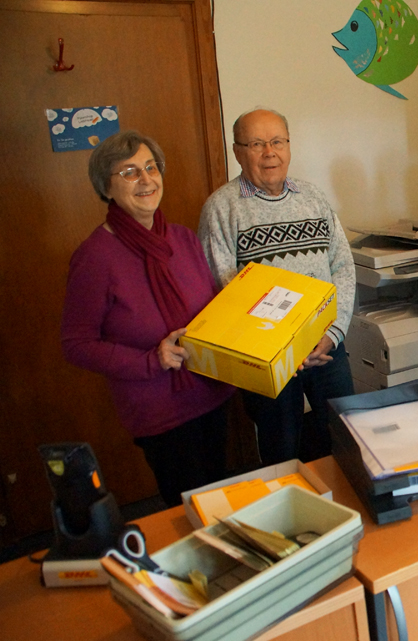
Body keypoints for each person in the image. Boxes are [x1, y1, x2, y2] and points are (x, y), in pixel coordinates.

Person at [61, 130, 234, 507]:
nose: (145, 179)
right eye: (129, 172)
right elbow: (76, 345)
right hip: (160, 411)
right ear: (105, 187)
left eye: (151, 167)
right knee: (191, 510)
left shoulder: (183, 239)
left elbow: (214, 309)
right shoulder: (95, 257)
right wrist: (151, 360)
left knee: (221, 501)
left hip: (212, 393)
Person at [199, 108, 355, 465]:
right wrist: (284, 347)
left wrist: (332, 334)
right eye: (256, 144)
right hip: (266, 358)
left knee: (346, 438)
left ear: (288, 146)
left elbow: (343, 267)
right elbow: (224, 287)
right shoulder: (221, 208)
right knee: (281, 452)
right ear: (237, 151)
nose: (269, 152)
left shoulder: (314, 197)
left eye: (277, 142)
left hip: (326, 346)